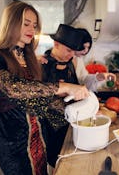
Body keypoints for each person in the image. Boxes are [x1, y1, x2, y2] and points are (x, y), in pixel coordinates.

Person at [0, 1, 89, 175]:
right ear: (11, 23)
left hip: (39, 140)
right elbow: (13, 88)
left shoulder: (30, 61)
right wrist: (64, 87)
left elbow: (39, 102)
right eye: (26, 23)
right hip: (14, 147)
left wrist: (82, 111)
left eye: (35, 25)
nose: (32, 29)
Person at [40, 24, 86, 169]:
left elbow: (76, 88)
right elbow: (39, 97)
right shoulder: (42, 64)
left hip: (69, 124)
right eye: (68, 50)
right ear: (56, 44)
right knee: (54, 165)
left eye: (73, 51)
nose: (71, 55)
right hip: (49, 128)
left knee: (68, 164)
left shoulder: (70, 64)